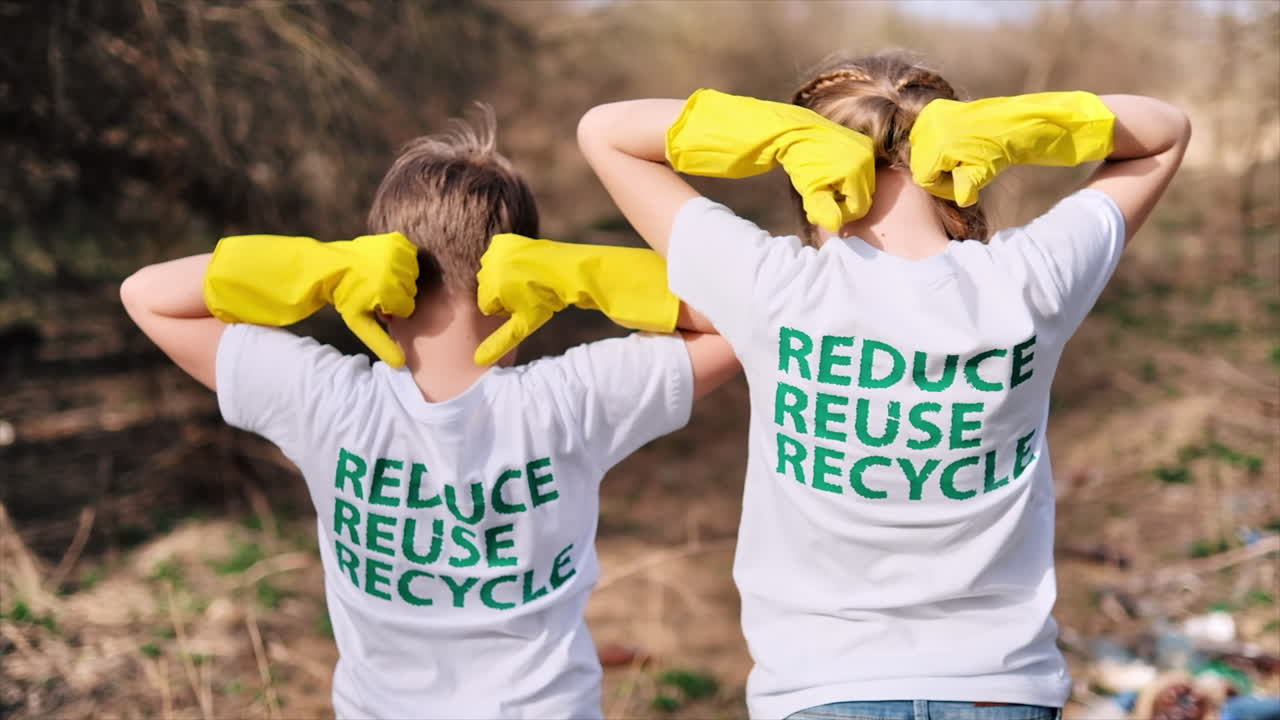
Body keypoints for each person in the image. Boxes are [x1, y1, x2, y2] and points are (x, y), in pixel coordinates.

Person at [574, 52, 1191, 719]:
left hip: (820, 691)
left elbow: (606, 131)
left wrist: (775, 133)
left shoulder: (770, 287)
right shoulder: (1030, 280)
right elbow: (1165, 130)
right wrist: (1022, 125)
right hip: (1000, 688)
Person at [119, 113, 739, 719]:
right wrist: (588, 275)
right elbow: (746, 322)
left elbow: (147, 296)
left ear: (378, 286)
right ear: (524, 283)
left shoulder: (325, 399)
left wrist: (319, 269)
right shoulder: (570, 400)